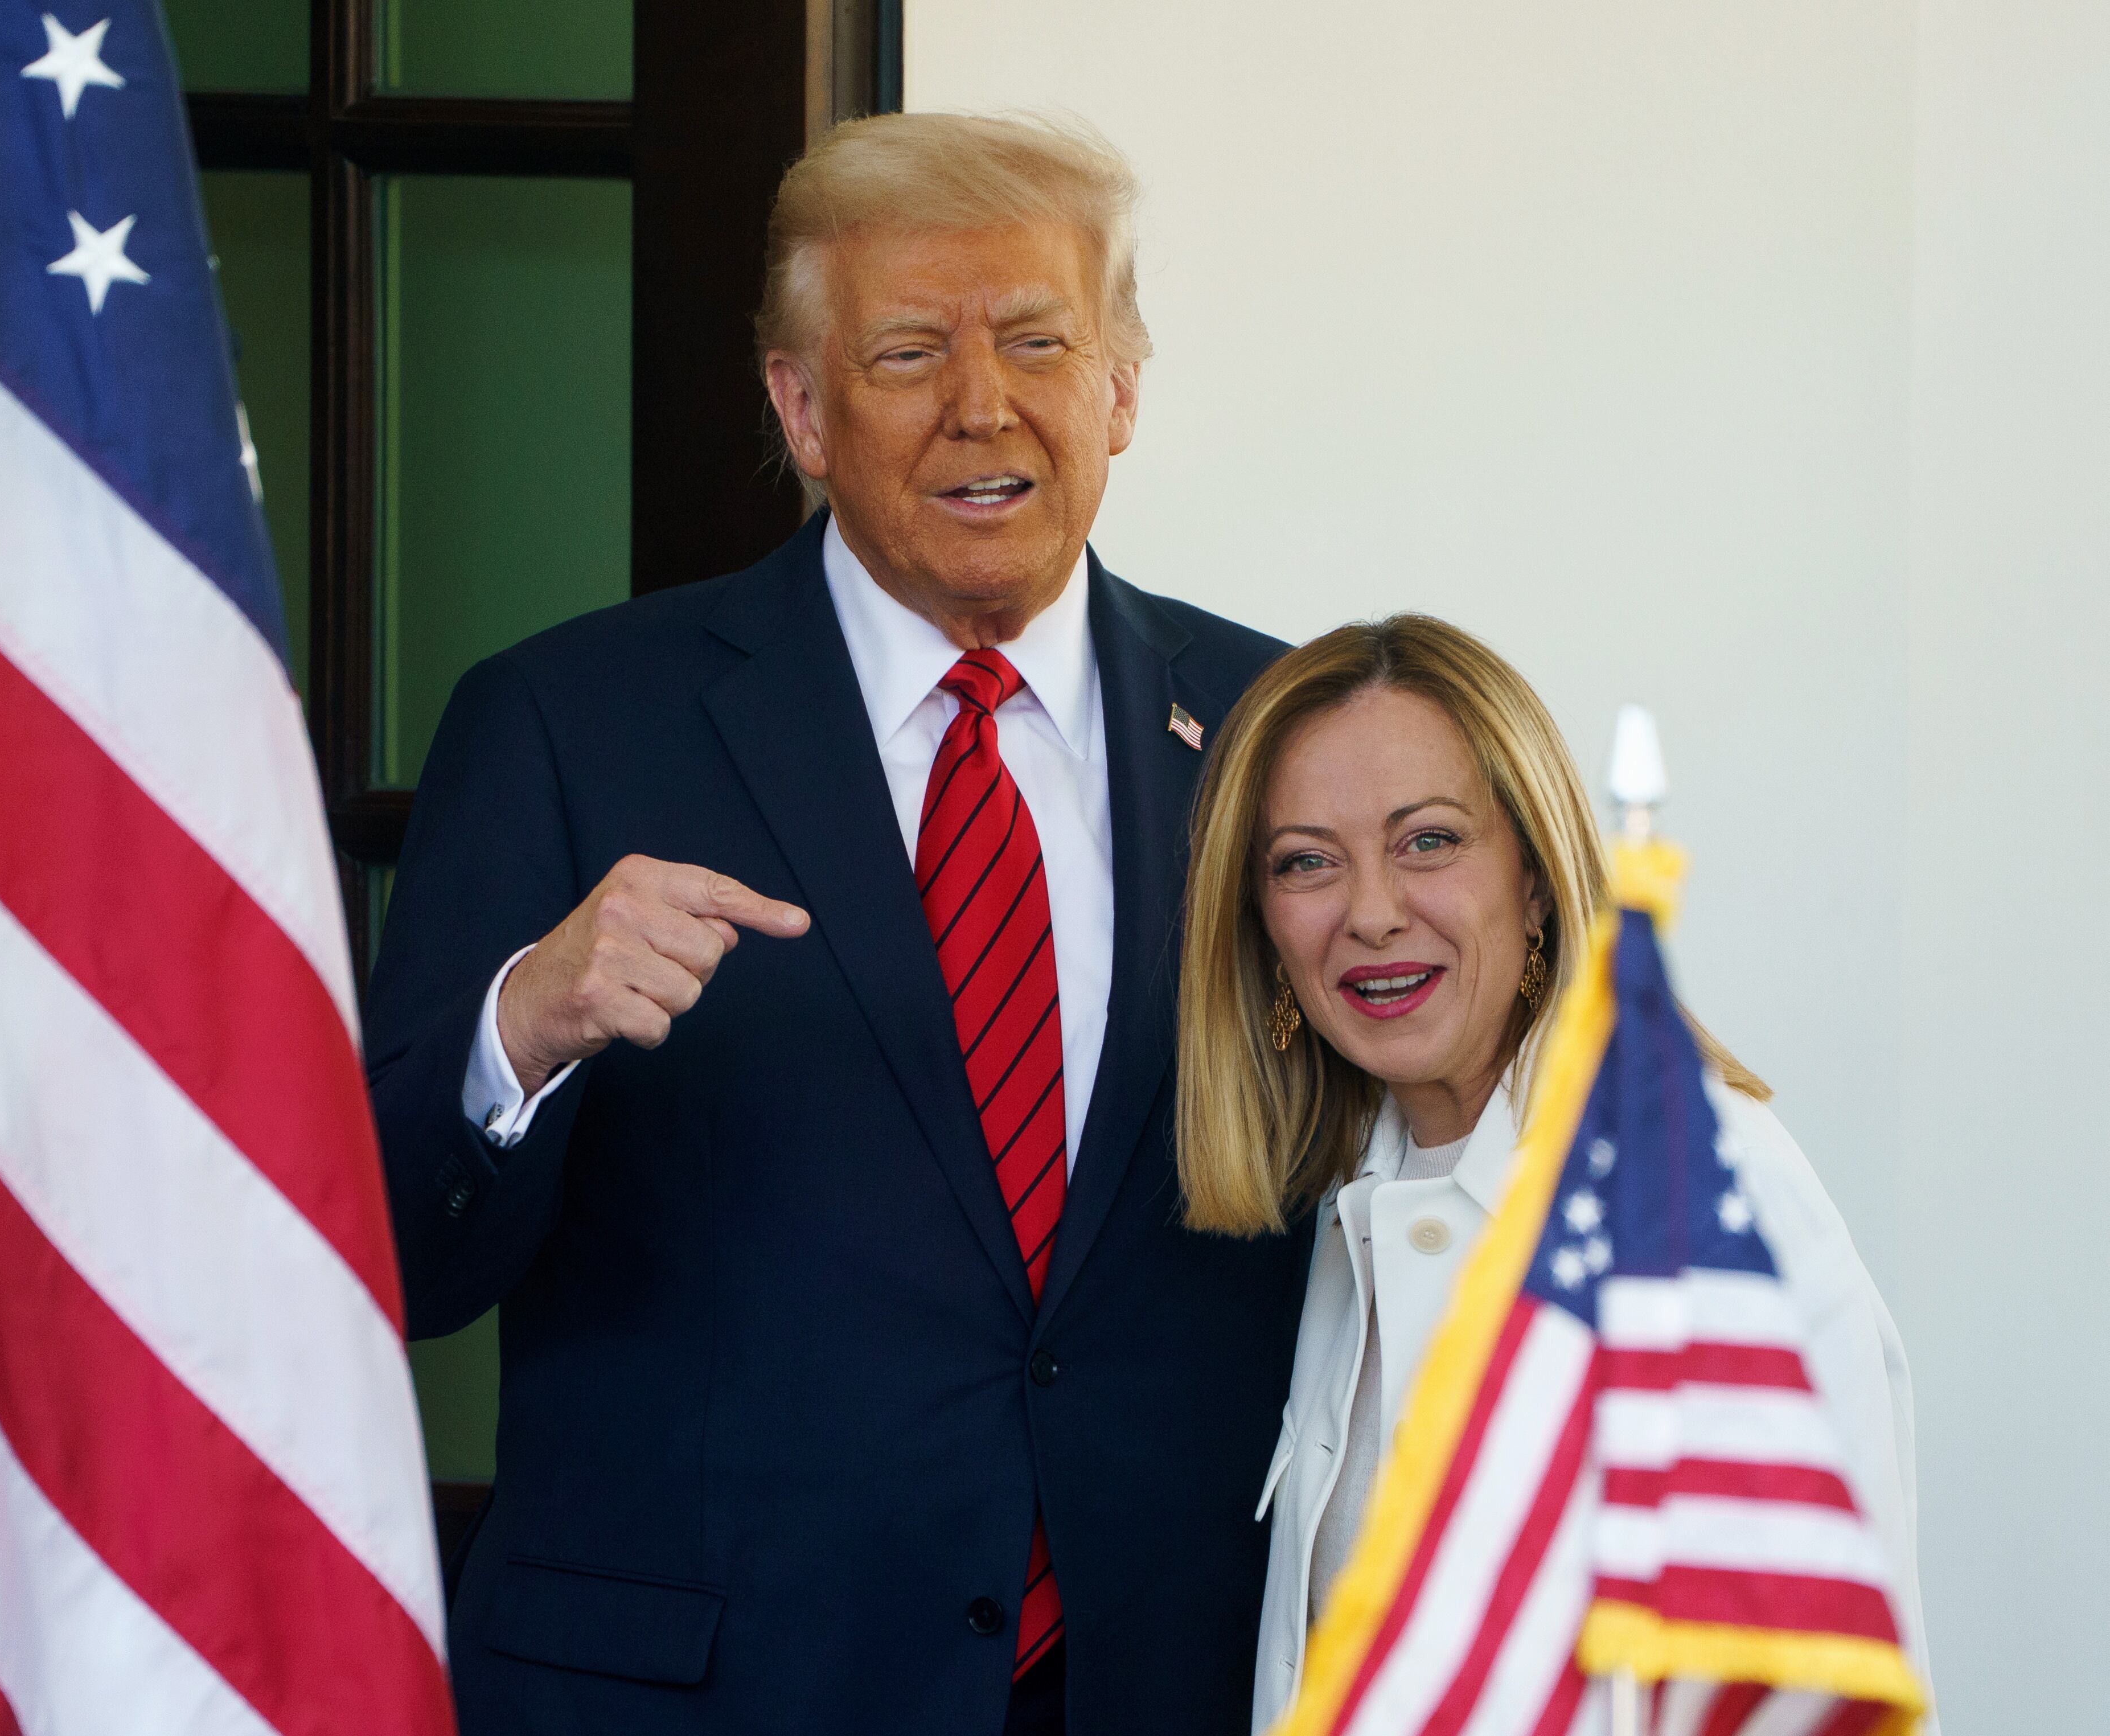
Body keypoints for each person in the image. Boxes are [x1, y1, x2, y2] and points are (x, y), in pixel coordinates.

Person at [363, 113, 1304, 1733]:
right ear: (800, 409)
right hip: (710, 1692)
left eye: (1035, 341)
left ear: (1121, 388)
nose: (981, 404)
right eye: (907, 350)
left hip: (1158, 1681)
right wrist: (522, 1026)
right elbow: (384, 1248)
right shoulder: (567, 722)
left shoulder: (1275, 730)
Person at [1171, 615, 1934, 1733]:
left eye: (1427, 840)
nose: (1371, 911)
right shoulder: (1348, 1211)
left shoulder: (1697, 1194)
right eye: (1305, 862)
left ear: (1533, 877)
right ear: (1263, 928)